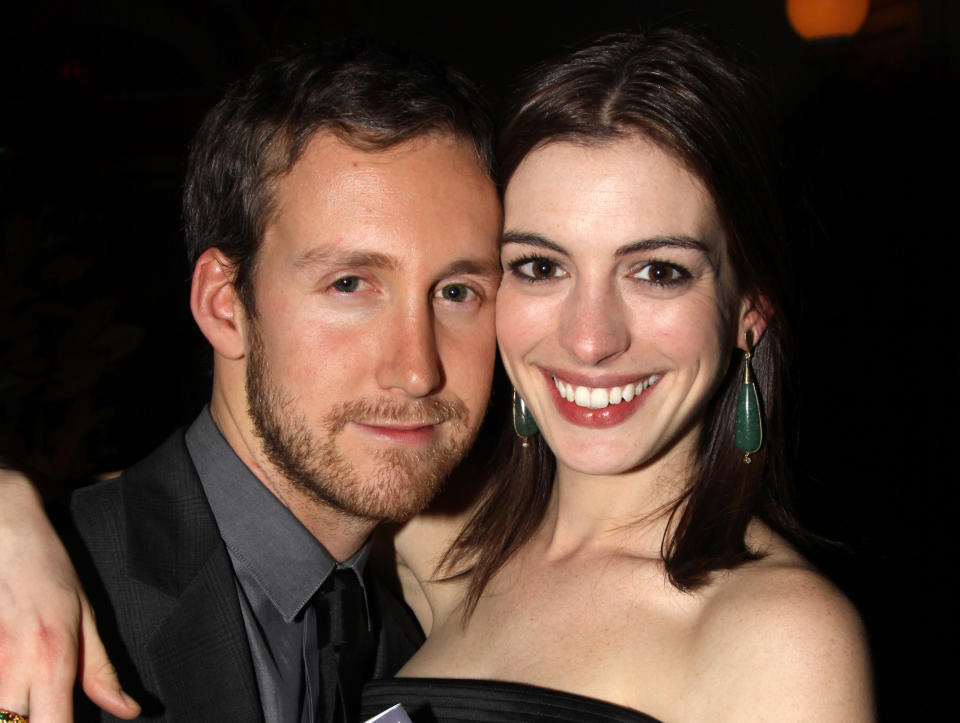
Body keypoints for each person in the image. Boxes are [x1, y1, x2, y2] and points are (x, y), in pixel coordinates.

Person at [1, 27, 874, 723]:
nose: (592, 336)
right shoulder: (440, 546)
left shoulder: (781, 637)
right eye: (539, 267)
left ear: (748, 310)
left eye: (659, 270)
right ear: (225, 304)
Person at [0, 41, 502, 723]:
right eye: (350, 283)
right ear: (224, 303)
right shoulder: (41, 602)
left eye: (458, 290)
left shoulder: (423, 644)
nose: (417, 369)